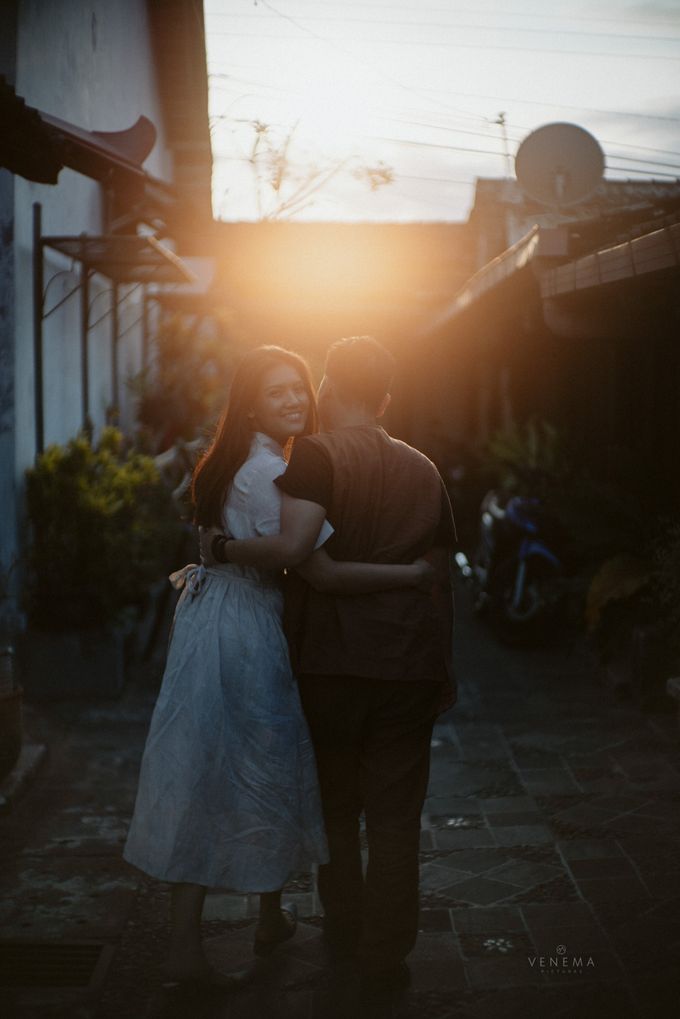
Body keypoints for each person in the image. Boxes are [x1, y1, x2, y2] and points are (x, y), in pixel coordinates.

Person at [123, 345, 432, 986]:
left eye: (298, 387)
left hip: (217, 619)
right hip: (246, 627)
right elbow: (312, 565)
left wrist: (226, 551)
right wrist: (408, 573)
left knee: (247, 763)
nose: (293, 399)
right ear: (250, 405)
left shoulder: (239, 461)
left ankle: (269, 916)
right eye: (276, 392)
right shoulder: (267, 472)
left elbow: (233, 550)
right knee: (237, 771)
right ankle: (188, 944)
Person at [201, 336, 456, 1008]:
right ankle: (385, 960)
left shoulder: (315, 456)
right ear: (387, 397)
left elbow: (305, 560)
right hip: (407, 664)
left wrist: (221, 548)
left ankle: (344, 928)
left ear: (330, 386)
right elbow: (440, 580)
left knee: (338, 807)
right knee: (398, 818)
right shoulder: (426, 468)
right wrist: (443, 667)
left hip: (331, 663)